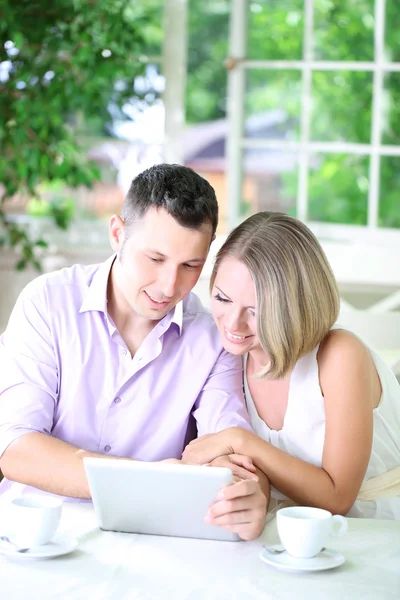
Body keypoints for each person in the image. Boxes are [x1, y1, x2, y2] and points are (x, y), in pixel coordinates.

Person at [0, 164, 267, 541]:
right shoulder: (47, 302)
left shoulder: (212, 341)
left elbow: (226, 445)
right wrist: (148, 480)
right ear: (117, 234)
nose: (169, 285)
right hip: (36, 534)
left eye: (191, 265)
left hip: (152, 540)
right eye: (155, 259)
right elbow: (16, 448)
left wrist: (244, 492)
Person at [182, 211, 400, 519]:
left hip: (377, 530)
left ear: (293, 306)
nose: (233, 323)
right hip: (286, 534)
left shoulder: (339, 356)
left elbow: (338, 498)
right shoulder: (227, 357)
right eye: (223, 298)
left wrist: (238, 440)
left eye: (256, 311)